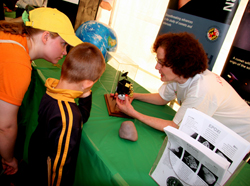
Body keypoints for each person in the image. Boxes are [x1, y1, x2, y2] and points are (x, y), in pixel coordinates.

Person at [115, 32, 250, 142]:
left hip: (241, 137)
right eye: (158, 61)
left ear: (179, 64)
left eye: (162, 63)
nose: (157, 67)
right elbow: (162, 98)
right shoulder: (179, 75)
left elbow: (176, 127)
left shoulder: (201, 89)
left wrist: (133, 113)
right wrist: (133, 96)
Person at [0, 7, 82, 176]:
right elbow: (5, 127)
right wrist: (9, 159)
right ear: (45, 37)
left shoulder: (13, 39)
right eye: (63, 43)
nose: (65, 52)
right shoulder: (18, 65)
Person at [28, 42, 106, 186]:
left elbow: (81, 118)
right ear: (88, 83)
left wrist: (85, 93)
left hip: (37, 156)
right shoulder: (69, 116)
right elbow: (60, 167)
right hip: (47, 175)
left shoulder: (52, 89)